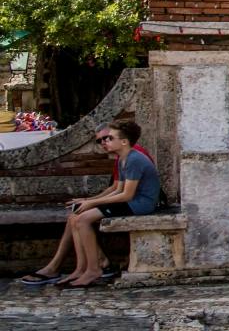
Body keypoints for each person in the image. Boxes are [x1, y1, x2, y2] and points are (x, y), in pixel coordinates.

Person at [20, 120, 158, 289]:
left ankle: (94, 269)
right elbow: (117, 189)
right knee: (77, 218)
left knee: (83, 219)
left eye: (109, 138)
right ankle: (82, 268)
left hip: (140, 204)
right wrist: (88, 202)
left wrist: (93, 202)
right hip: (130, 201)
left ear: (124, 141)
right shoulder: (123, 158)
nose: (105, 142)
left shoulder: (134, 159)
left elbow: (126, 194)